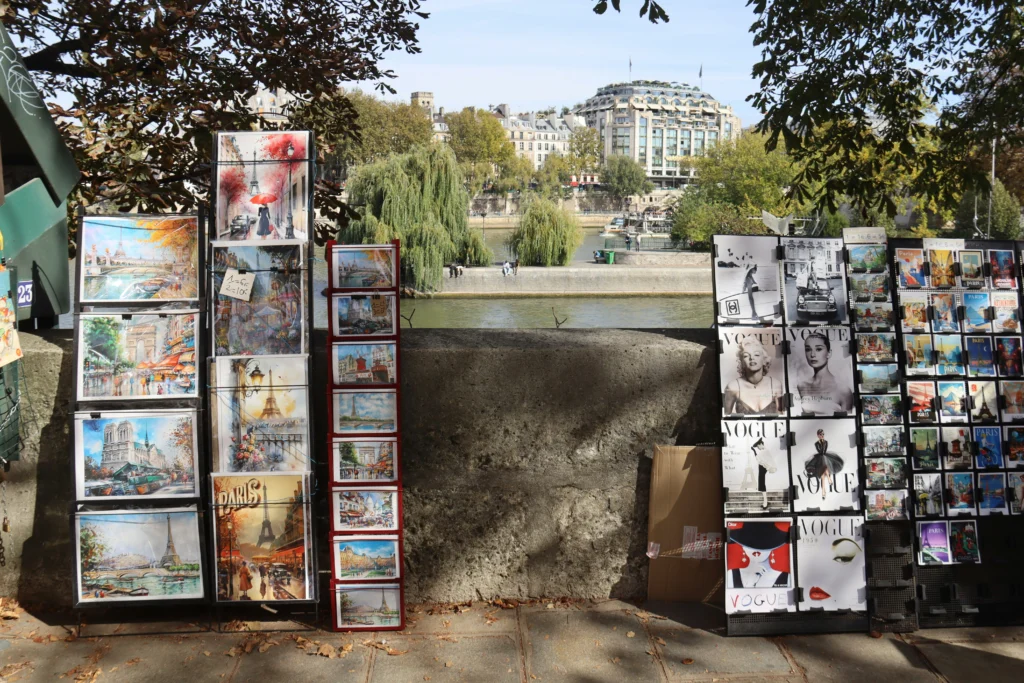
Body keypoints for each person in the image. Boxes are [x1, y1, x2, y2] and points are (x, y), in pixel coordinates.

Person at [795, 331, 854, 415]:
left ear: (829, 353)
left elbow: (847, 423)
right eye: (808, 349)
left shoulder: (843, 390)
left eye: (818, 349)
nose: (812, 354)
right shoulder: (802, 386)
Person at [723, 337, 784, 416]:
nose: (752, 358)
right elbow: (725, 417)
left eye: (756, 354)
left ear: (764, 360)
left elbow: (782, 416)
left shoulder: (776, 384)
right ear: (742, 362)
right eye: (746, 356)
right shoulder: (733, 386)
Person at [805, 429, 844, 500]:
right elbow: (820, 452)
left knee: (824, 472)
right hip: (819, 459)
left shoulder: (826, 442)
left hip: (825, 458)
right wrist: (821, 443)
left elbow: (824, 451)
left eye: (823, 434)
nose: (822, 435)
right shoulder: (816, 443)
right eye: (820, 434)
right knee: (823, 476)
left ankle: (824, 491)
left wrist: (823, 443)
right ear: (818, 435)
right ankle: (826, 487)